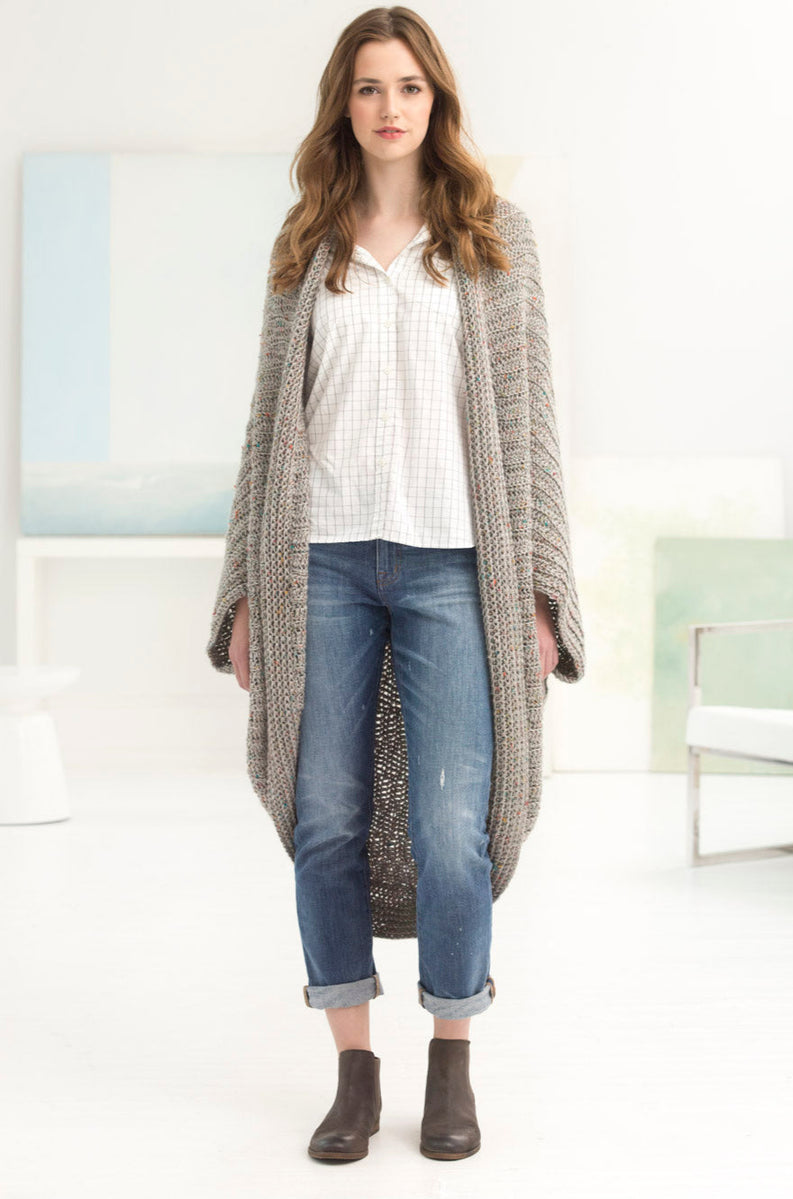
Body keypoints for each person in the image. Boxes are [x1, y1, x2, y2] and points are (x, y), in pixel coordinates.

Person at [208, 4, 585, 1165]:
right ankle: (354, 1069)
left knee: (451, 824)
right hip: (318, 562)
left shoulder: (492, 239)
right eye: (368, 87)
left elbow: (528, 427)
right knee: (322, 816)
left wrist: (538, 592)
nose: (388, 107)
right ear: (344, 103)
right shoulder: (305, 244)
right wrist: (243, 594)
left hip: (454, 565)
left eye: (408, 87)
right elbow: (269, 426)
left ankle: (452, 1058)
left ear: (436, 101)